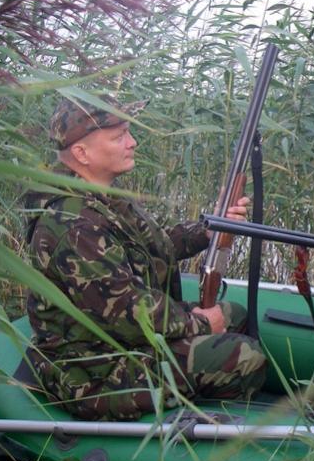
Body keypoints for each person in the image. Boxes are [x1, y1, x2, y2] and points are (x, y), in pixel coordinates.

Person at [25, 97, 267, 420]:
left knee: (235, 314)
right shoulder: (73, 224)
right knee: (245, 356)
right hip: (95, 373)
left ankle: (195, 391)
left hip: (124, 342)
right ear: (82, 153)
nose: (132, 142)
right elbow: (128, 310)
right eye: (119, 136)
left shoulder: (104, 199)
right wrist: (200, 322)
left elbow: (154, 245)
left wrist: (208, 230)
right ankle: (208, 426)